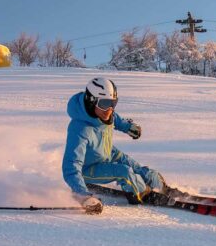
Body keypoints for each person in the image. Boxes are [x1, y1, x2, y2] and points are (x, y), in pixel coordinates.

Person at [62, 77, 166, 213]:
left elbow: (115, 119)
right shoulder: (80, 129)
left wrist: (129, 127)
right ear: (91, 101)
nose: (109, 109)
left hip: (107, 152)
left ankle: (160, 186)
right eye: (105, 103)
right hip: (88, 168)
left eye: (113, 103)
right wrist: (83, 196)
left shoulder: (104, 113)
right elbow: (71, 166)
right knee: (124, 172)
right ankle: (142, 194)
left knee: (137, 168)